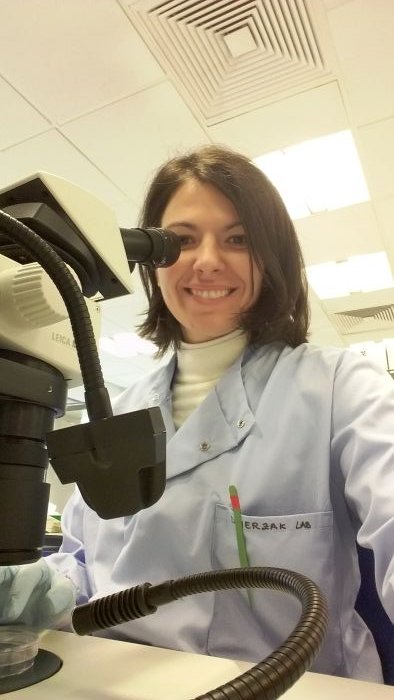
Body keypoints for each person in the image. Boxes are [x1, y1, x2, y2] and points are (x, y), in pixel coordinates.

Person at [0, 144, 393, 683]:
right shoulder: (113, 406)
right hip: (115, 679)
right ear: (149, 259)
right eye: (181, 240)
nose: (206, 260)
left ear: (271, 255)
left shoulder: (341, 386)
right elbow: (83, 564)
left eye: (238, 238)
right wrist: (36, 591)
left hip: (286, 686)